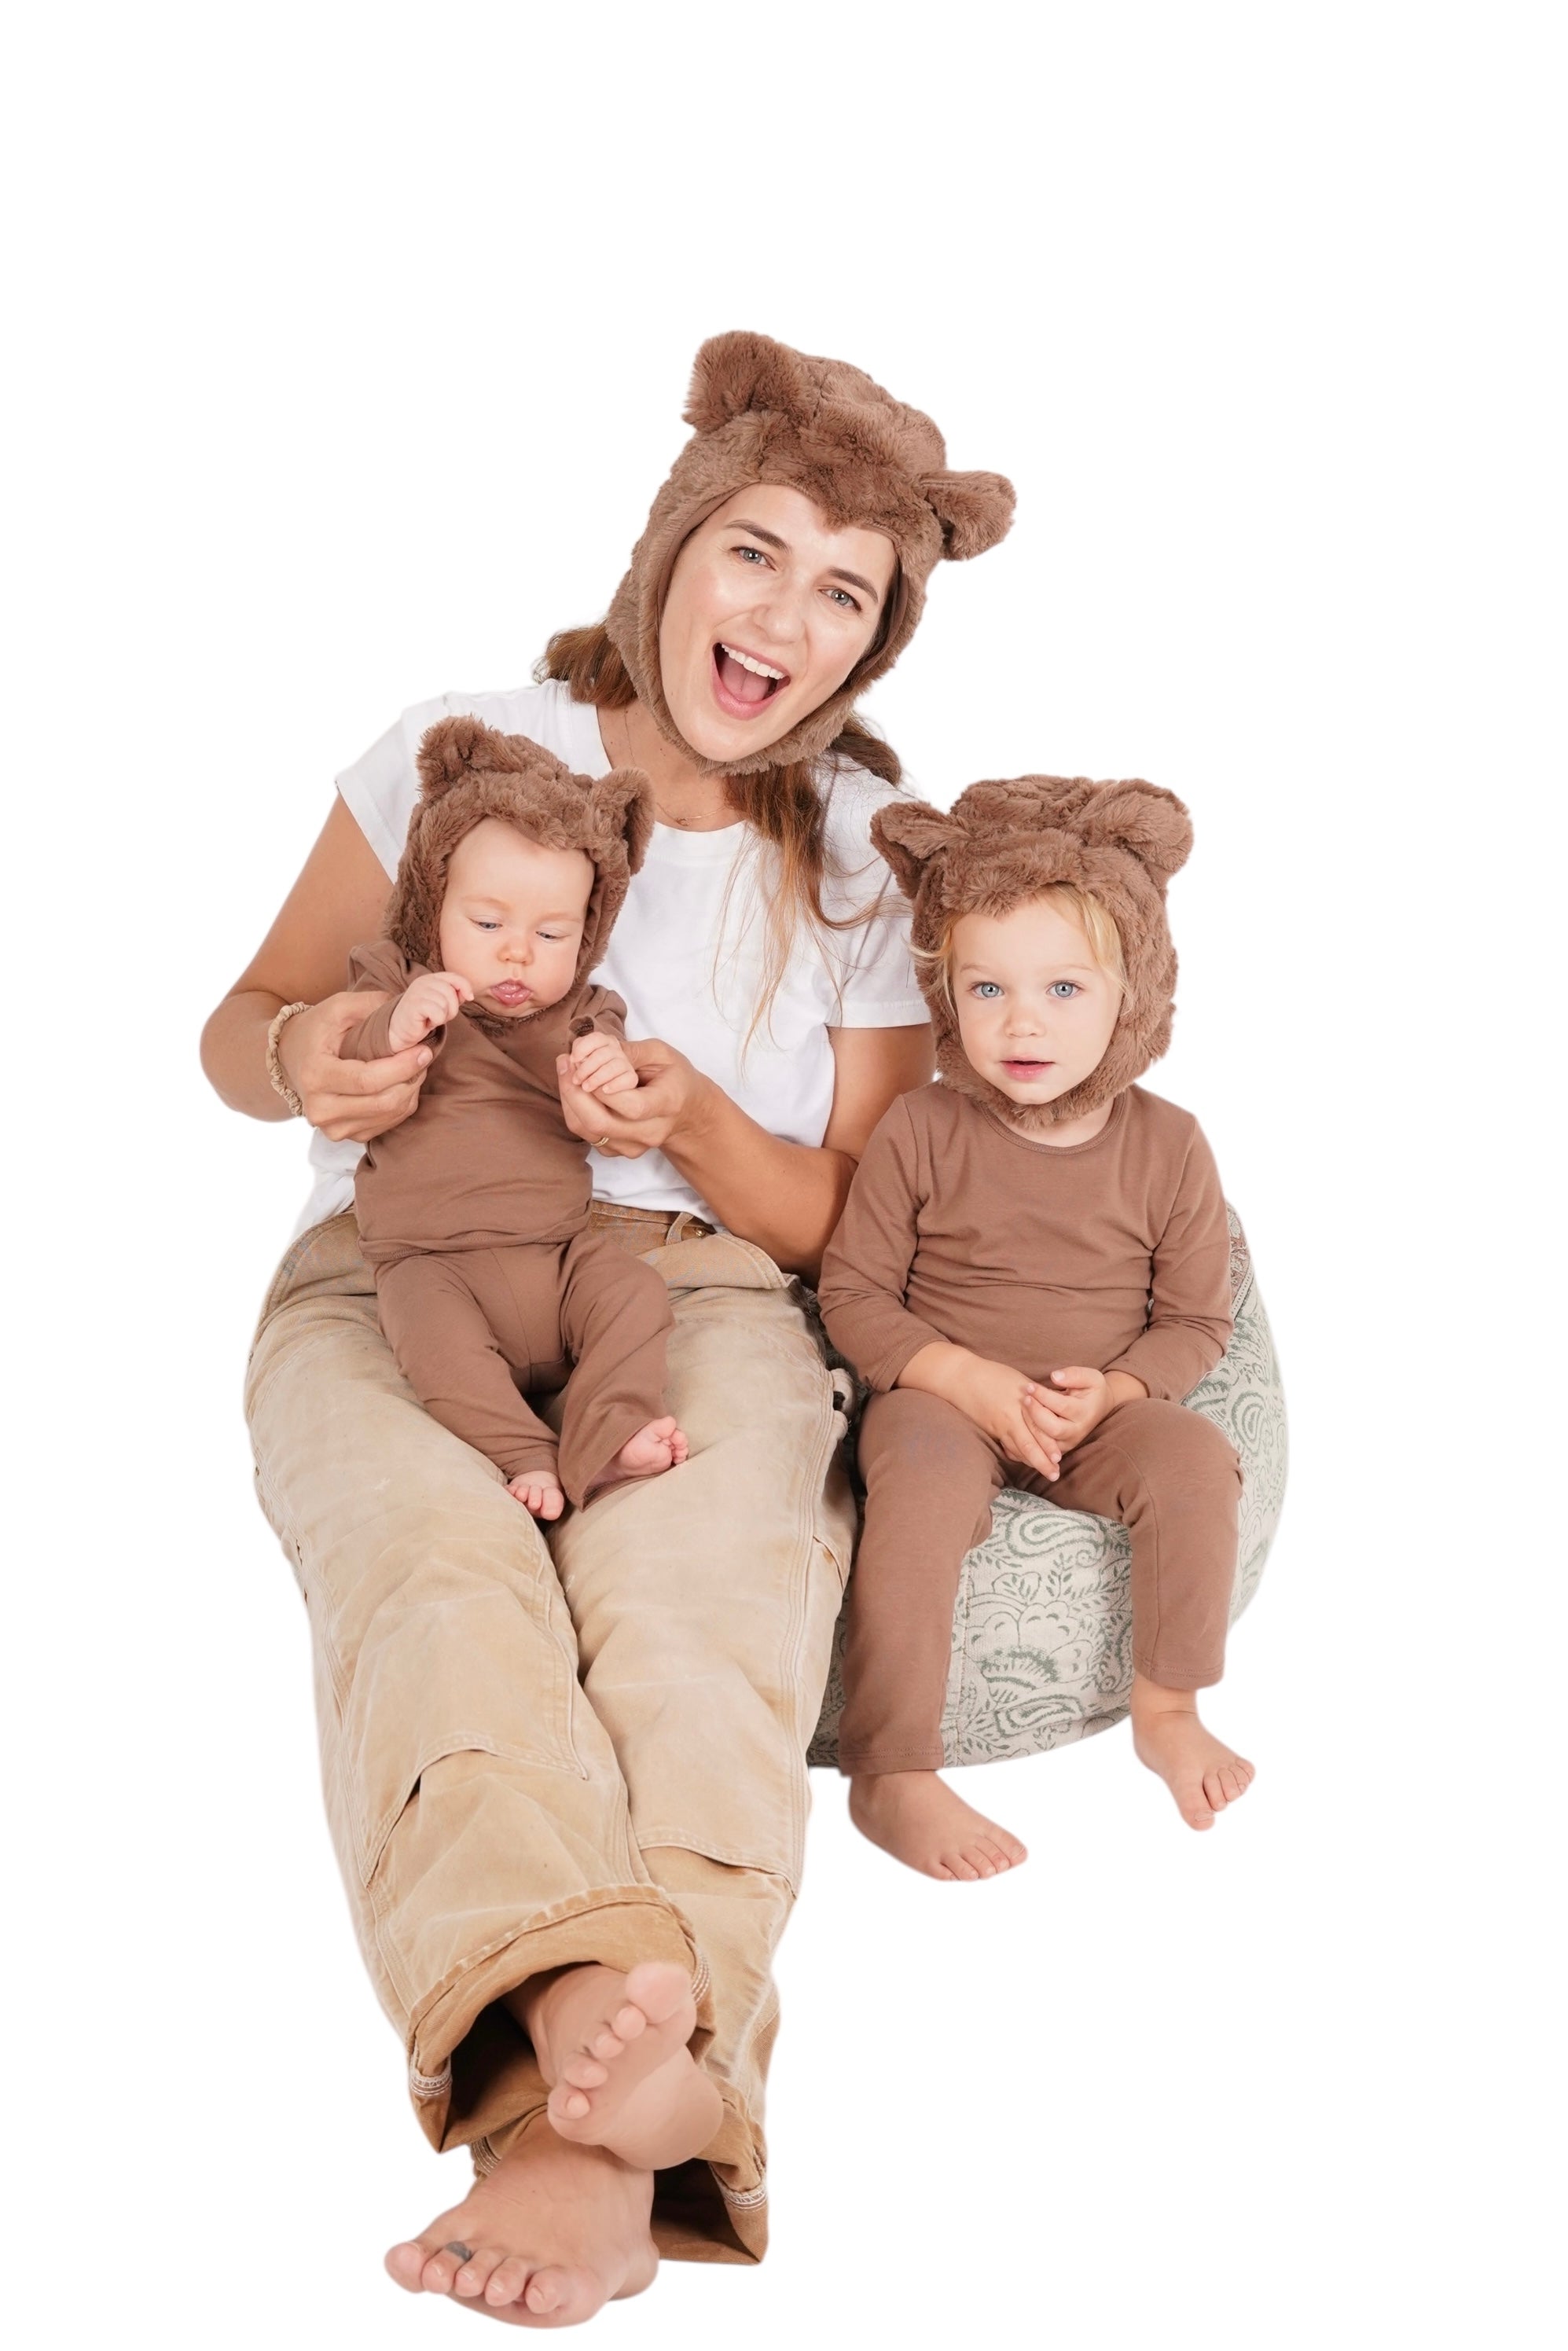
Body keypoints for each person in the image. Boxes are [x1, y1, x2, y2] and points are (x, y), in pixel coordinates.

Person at [200, 329, 1014, 2323]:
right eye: (756, 551)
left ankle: (567, 2103)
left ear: (874, 643)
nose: (786, 616)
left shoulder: (851, 870)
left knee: (708, 1594)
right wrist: (322, 1051)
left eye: (847, 592)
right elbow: (240, 1032)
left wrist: (700, 1126)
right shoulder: (455, 748)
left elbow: (853, 1211)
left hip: (702, 1283)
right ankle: (604, 2050)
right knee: (431, 1563)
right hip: (399, 1264)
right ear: (668, 548)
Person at [817, 774, 1255, 1884]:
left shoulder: (1168, 1145)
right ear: (945, 995)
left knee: (1198, 1458)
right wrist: (955, 1377)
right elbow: (854, 1293)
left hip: (1089, 1407)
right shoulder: (918, 1128)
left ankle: (1166, 1703)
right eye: (986, 987)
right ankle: (892, 1764)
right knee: (912, 1486)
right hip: (944, 1404)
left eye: (1063, 986)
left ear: (1130, 995)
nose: (1022, 1021)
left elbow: (1197, 1314)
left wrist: (1117, 1391)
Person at [342, 715, 686, 1519]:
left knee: (637, 1296)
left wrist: (608, 1071)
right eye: (487, 924)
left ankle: (606, 1429)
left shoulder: (584, 1011)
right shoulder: (396, 977)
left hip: (558, 1260)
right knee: (434, 1347)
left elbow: (615, 1078)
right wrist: (394, 1021)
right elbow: (349, 1046)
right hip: (431, 1264)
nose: (516, 955)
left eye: (551, 933)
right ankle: (521, 1449)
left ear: (588, 933)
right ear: (435, 906)